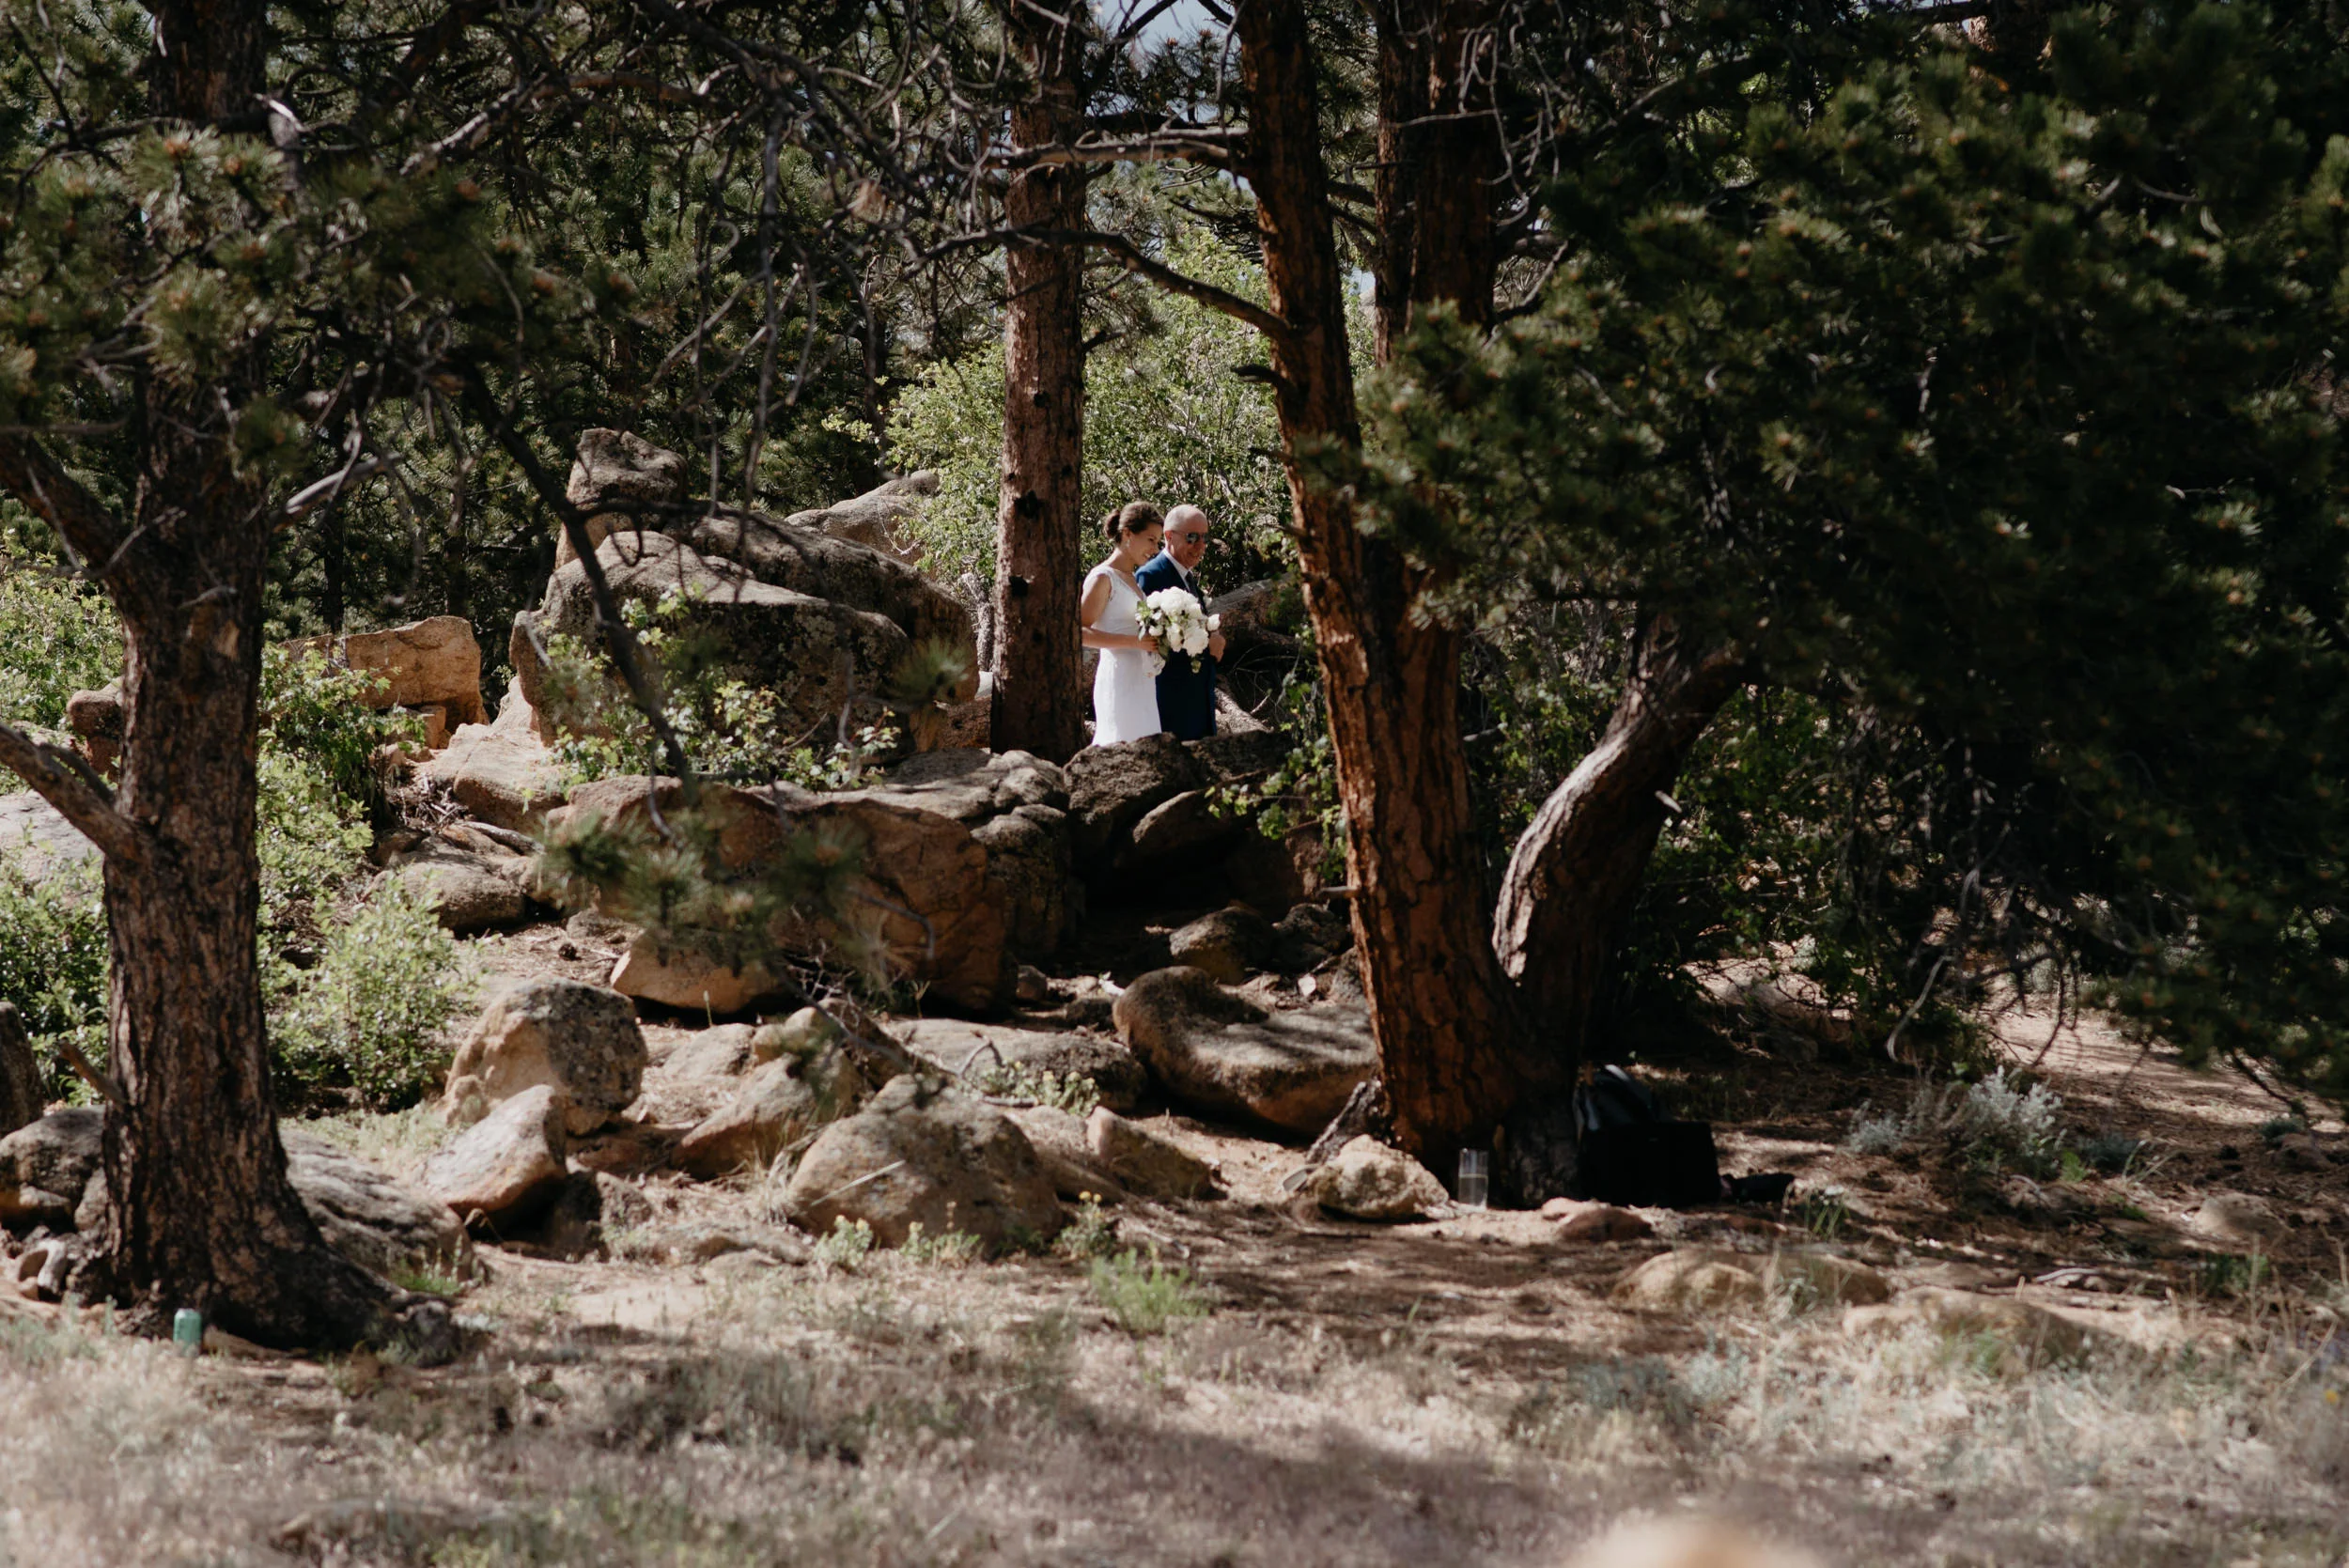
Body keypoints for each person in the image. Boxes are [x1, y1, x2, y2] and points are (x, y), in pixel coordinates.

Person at [1134, 503, 1228, 740]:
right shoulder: (1151, 576)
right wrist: (1207, 647)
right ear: (1168, 536)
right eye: (1192, 537)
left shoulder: (1187, 576)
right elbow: (1151, 642)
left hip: (1198, 702)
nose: (1200, 546)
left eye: (1204, 537)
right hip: (1172, 704)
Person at [1081, 502, 1166, 745]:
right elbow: (1079, 632)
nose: (1155, 548)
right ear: (1128, 534)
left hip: (1143, 680)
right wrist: (1133, 642)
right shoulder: (1102, 577)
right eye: (1150, 539)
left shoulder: (1132, 579)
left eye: (1158, 542)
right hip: (1119, 678)